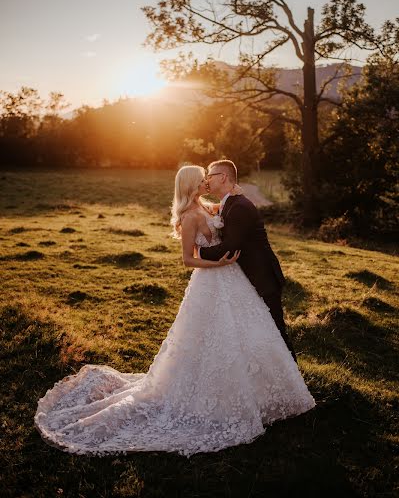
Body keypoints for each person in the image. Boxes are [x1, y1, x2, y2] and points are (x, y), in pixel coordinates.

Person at [34, 165, 315, 458]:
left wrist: (235, 192)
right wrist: (215, 263)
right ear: (193, 184)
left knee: (246, 331)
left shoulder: (211, 205)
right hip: (211, 279)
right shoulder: (189, 216)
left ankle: (260, 387)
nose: (206, 181)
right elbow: (187, 259)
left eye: (210, 177)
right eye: (202, 178)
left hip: (234, 281)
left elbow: (229, 210)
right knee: (211, 337)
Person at [200, 159, 297, 361]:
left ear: (223, 177)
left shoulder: (239, 206)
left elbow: (230, 247)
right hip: (250, 278)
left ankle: (294, 382)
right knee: (260, 333)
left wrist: (199, 253)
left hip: (263, 278)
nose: (207, 180)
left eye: (210, 175)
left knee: (276, 332)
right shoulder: (229, 202)